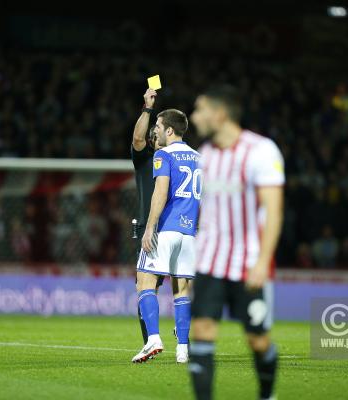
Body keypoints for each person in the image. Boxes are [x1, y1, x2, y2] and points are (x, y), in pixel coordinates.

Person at [189, 85, 284, 400]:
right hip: (210, 263)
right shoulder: (205, 155)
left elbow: (273, 209)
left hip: (247, 264)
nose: (195, 116)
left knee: (257, 340)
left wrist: (262, 262)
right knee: (201, 332)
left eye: (200, 109)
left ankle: (266, 395)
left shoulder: (260, 150)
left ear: (220, 114)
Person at [132, 108, 201, 364]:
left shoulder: (163, 154)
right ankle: (183, 349)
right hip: (189, 231)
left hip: (167, 229)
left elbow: (160, 192)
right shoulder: (198, 157)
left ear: (169, 130)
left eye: (159, 127)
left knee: (144, 282)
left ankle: (153, 339)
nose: (156, 130)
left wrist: (150, 227)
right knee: (181, 289)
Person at [131, 88, 165, 345]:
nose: (153, 133)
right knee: (148, 285)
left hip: (168, 229)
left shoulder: (176, 159)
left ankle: (177, 339)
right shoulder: (146, 160)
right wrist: (147, 107)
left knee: (151, 285)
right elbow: (137, 137)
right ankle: (151, 340)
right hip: (151, 230)